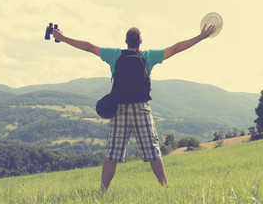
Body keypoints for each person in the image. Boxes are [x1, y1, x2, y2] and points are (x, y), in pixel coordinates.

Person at [53, 24, 216, 192]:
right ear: (141, 42)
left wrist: (63, 38)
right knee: (153, 151)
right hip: (141, 110)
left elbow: (88, 47)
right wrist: (201, 37)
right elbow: (176, 48)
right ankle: (166, 188)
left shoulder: (114, 54)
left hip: (119, 110)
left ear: (125, 41)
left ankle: (102, 192)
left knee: (112, 154)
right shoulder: (148, 56)